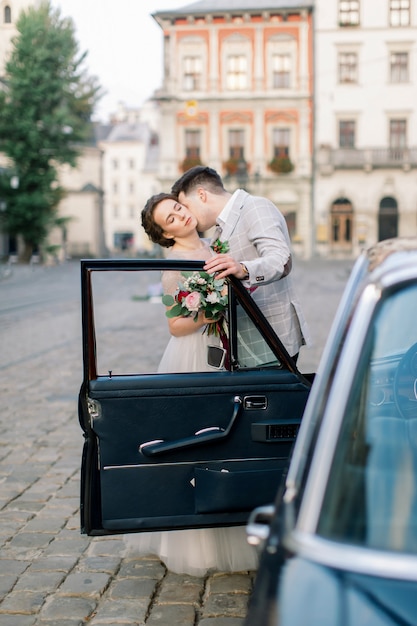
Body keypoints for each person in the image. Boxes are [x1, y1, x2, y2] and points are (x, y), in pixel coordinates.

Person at [123, 192, 258, 575]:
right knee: (200, 439)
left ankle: (234, 520)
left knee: (232, 438)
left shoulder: (214, 244)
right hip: (195, 354)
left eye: (178, 208)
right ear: (165, 234)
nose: (180, 216)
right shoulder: (173, 266)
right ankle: (198, 544)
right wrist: (213, 308)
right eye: (170, 218)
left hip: (229, 348)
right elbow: (175, 325)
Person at [171, 166, 310, 362]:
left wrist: (243, 269)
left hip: (271, 338)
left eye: (186, 206)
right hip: (244, 341)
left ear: (201, 195)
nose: (188, 215)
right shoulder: (219, 230)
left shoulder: (255, 207)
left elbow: (281, 260)